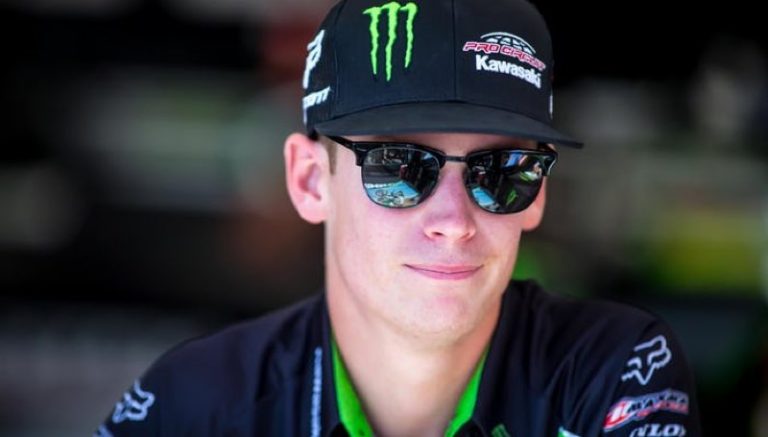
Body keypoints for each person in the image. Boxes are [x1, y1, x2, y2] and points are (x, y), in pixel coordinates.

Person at [96, 0, 701, 436]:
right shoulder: (195, 401)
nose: (454, 221)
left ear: (538, 192)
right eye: (399, 167)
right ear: (310, 181)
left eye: (502, 171)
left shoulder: (612, 369)